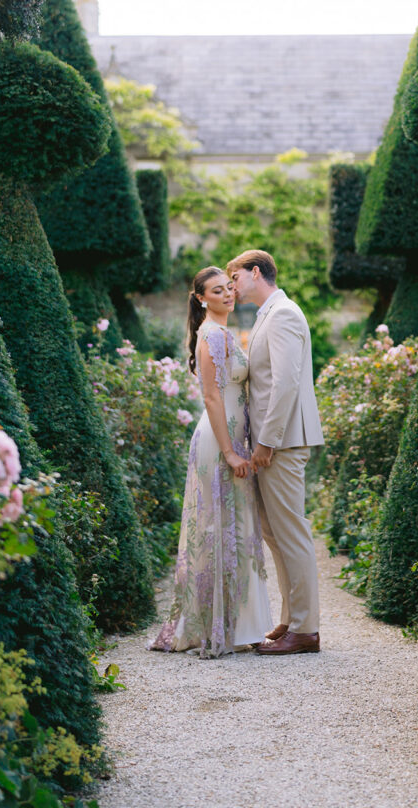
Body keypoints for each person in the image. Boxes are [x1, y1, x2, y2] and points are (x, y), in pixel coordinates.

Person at [150, 266, 272, 656]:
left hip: (232, 436)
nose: (227, 294)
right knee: (222, 528)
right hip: (219, 443)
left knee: (232, 526)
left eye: (229, 288)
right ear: (201, 298)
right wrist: (230, 452)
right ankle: (222, 625)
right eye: (217, 291)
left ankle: (238, 622)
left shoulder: (224, 332)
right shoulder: (213, 334)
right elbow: (212, 398)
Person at [227, 250, 324, 655]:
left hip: (282, 440)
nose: (231, 285)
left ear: (255, 272)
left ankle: (306, 630)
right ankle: (291, 618)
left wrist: (266, 440)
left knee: (290, 532)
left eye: (235, 277)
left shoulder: (283, 313)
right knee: (274, 532)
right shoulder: (268, 313)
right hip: (273, 439)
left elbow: (286, 382)